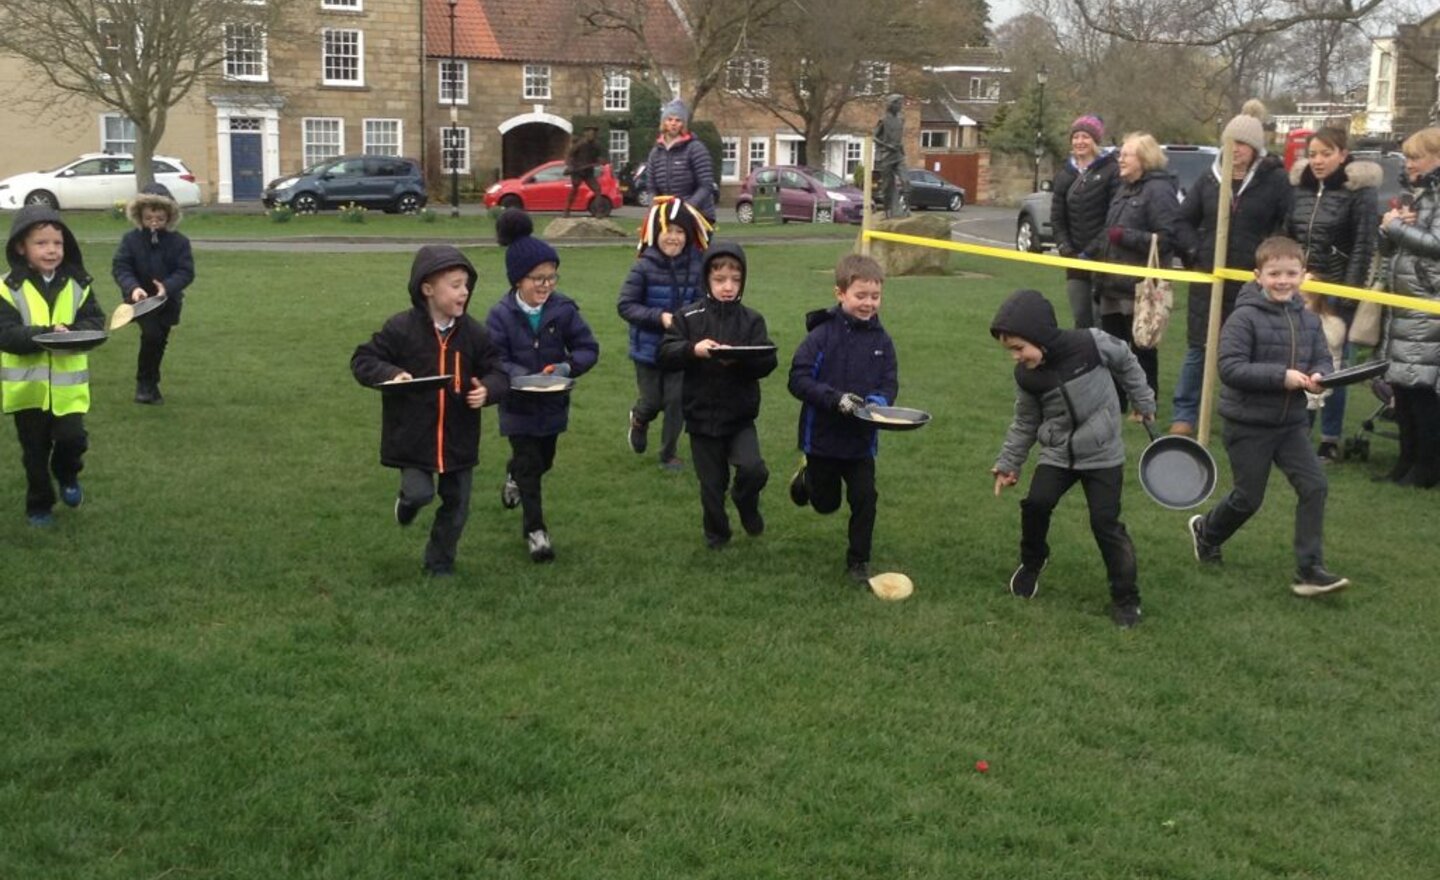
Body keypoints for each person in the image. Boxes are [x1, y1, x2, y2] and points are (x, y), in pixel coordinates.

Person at [1187, 236, 1347, 596]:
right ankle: (1206, 531)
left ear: (1303, 275)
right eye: (1275, 273)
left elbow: (1321, 357)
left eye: (1291, 273)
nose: (1283, 280)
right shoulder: (1244, 317)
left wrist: (1321, 376)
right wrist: (1282, 377)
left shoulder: (1308, 320)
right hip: (1248, 425)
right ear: (1258, 276)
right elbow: (1229, 367)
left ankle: (1310, 569)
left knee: (1315, 486)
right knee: (1248, 498)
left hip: (1292, 425)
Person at [989, 288, 1155, 628]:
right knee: (1036, 504)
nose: (1016, 357)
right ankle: (1033, 562)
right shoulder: (1027, 376)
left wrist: (1143, 400)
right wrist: (1009, 463)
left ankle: (1126, 598)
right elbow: (1025, 422)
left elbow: (1126, 362)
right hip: (1058, 453)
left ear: (1041, 336)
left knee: (1105, 523)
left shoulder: (1091, 344)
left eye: (1019, 348)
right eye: (1011, 351)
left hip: (1103, 453)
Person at [350, 244, 508, 577]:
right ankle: (407, 503)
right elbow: (363, 360)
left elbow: (499, 369)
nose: (464, 292)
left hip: (459, 438)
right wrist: (391, 374)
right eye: (455, 285)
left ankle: (439, 563)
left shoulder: (475, 334)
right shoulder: (400, 329)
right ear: (427, 289)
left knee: (458, 506)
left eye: (466, 284)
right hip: (413, 437)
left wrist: (489, 389)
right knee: (422, 493)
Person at [486, 210, 600, 562]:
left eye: (551, 277)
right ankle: (536, 531)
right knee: (531, 463)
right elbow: (493, 358)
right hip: (517, 406)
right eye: (538, 278)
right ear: (518, 279)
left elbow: (588, 348)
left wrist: (567, 366)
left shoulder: (563, 310)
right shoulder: (500, 315)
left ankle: (512, 475)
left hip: (552, 404)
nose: (546, 285)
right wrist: (520, 375)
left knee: (543, 460)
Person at [1170, 109, 1291, 436]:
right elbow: (1180, 221)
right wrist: (1196, 251)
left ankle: (1242, 412)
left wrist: (1269, 261)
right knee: (1199, 348)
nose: (1235, 149)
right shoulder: (1210, 179)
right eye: (1231, 142)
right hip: (1209, 281)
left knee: (1247, 349)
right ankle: (1185, 413)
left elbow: (1286, 225)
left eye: (1243, 144)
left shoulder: (1275, 181)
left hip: (1250, 283)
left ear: (1255, 149)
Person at [787, 254, 899, 584]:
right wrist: (835, 400)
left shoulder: (883, 341)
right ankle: (807, 479)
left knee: (866, 498)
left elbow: (889, 381)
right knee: (826, 504)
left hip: (861, 443)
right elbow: (798, 379)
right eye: (860, 296)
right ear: (840, 294)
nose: (868, 303)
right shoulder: (821, 336)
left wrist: (878, 403)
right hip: (822, 438)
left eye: (874, 296)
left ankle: (857, 562)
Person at [657, 241, 776, 548]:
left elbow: (767, 360)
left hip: (739, 416)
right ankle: (717, 535)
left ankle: (745, 500)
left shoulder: (752, 320)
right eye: (720, 280)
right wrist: (693, 350)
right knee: (711, 485)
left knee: (753, 470)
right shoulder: (689, 317)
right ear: (707, 279)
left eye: (735, 280)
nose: (728, 287)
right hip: (700, 416)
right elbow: (666, 353)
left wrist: (742, 360)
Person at [0, 205, 105, 527]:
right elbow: (6, 334)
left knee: (73, 439)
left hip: (68, 389)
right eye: (41, 243)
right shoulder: (8, 288)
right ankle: (39, 506)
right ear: (21, 247)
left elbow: (95, 321)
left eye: (57, 244)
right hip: (27, 392)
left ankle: (67, 474)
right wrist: (44, 335)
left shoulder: (78, 283)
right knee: (34, 453)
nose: (51, 250)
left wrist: (71, 333)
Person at [1287, 127, 1381, 461]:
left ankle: (1330, 437)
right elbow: (1288, 234)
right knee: (1300, 359)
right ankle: (1299, 430)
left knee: (1334, 366)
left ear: (1342, 154)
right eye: (1312, 154)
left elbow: (1363, 246)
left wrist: (1347, 294)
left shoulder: (1360, 194)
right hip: (1301, 286)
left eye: (1326, 153)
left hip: (1336, 288)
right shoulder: (1300, 190)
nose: (1318, 161)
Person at [1089, 132, 1183, 413]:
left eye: (1126, 155)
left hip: (1139, 288)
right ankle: (1115, 402)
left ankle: (1146, 403)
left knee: (1142, 348)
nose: (1120, 159)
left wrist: (1127, 236)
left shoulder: (1159, 191)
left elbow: (1167, 238)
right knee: (1113, 348)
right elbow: (1109, 232)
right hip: (1111, 286)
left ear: (1143, 159)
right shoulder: (1123, 188)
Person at [618, 196, 711, 471]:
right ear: (656, 233)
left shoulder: (697, 266)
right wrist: (659, 317)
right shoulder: (643, 266)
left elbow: (703, 301)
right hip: (648, 349)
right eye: (668, 230)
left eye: (680, 231)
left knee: (676, 401)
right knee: (653, 401)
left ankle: (668, 454)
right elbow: (625, 305)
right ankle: (639, 418)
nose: (674, 237)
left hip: (681, 349)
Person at [1375, 126, 1440, 488]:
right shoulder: (1416, 193)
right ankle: (1405, 461)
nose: (1410, 164)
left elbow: (1436, 243)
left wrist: (1397, 228)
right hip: (1404, 298)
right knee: (1401, 385)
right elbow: (1392, 247)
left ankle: (1426, 467)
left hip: (1429, 301)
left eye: (1416, 156)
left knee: (1422, 388)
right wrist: (1387, 229)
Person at [111, 182, 196, 405]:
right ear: (140, 216)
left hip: (168, 301)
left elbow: (186, 271)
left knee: (159, 341)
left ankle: (151, 384)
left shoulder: (180, 242)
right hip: (140, 301)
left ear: (169, 216)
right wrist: (133, 288)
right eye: (149, 218)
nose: (154, 223)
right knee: (152, 335)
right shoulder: (131, 240)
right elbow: (121, 267)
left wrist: (167, 287)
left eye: (159, 219)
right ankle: (144, 385)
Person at [1051, 114, 1120, 329]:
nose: (1080, 142)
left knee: (1101, 321)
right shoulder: (1065, 174)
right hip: (1074, 261)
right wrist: (1065, 247)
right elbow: (1057, 216)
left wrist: (1091, 251)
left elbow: (1114, 217)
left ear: (1095, 141)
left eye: (1086, 137)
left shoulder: (1111, 171)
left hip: (1103, 259)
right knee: (1081, 317)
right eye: (1076, 137)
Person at [646, 98, 716, 225]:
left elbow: (706, 186)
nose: (673, 123)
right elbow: (651, 188)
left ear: (683, 124)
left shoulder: (695, 148)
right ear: (664, 122)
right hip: (667, 212)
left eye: (678, 120)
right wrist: (653, 208)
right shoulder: (655, 153)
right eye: (670, 119)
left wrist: (686, 208)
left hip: (697, 213)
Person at [873, 93, 910, 218]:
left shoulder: (901, 119)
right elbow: (874, 137)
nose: (900, 106)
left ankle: (906, 208)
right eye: (898, 103)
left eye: (901, 103)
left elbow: (898, 137)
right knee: (887, 186)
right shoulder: (883, 120)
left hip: (898, 155)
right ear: (891, 105)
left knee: (906, 182)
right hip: (886, 156)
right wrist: (887, 146)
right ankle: (887, 210)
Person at [563, 126, 604, 218]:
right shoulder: (580, 144)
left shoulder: (597, 145)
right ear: (585, 134)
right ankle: (567, 211)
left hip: (588, 172)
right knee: (575, 189)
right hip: (577, 171)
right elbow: (569, 155)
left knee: (597, 190)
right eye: (589, 133)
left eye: (593, 134)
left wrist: (600, 161)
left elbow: (599, 157)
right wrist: (570, 166)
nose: (591, 135)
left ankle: (599, 212)